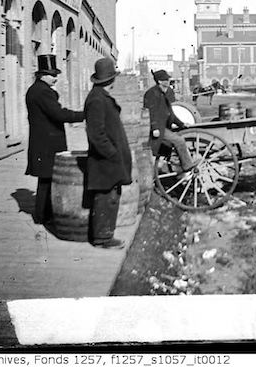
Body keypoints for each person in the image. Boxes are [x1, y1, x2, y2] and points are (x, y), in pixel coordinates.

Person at [25, 53, 84, 225]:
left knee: (47, 179)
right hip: (47, 143)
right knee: (47, 179)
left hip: (42, 141)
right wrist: (82, 115)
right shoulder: (44, 92)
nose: (55, 78)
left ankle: (44, 214)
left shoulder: (35, 90)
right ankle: (42, 216)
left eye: (56, 74)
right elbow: (58, 114)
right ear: (42, 75)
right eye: (52, 75)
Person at [84, 55, 133, 249]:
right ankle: (102, 238)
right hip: (105, 161)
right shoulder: (97, 99)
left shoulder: (99, 96)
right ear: (110, 80)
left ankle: (105, 234)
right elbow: (96, 134)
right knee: (106, 198)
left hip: (108, 160)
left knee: (111, 196)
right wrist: (112, 153)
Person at [143, 69, 195, 171]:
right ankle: (187, 166)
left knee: (164, 154)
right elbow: (151, 112)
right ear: (159, 81)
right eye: (165, 80)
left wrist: (181, 124)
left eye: (168, 79)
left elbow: (170, 114)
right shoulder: (152, 93)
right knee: (179, 141)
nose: (168, 81)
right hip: (159, 128)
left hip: (164, 127)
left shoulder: (164, 93)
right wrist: (155, 128)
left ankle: (163, 172)